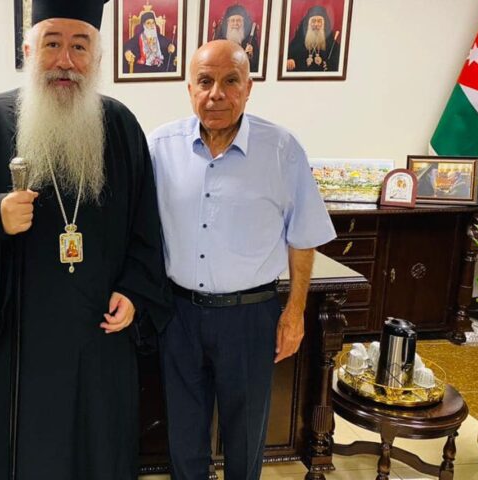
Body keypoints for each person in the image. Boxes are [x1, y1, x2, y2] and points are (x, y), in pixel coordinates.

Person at [0, 0, 172, 477]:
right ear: (28, 52)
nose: (65, 60)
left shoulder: (121, 127)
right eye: (52, 44)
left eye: (79, 47)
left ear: (97, 58)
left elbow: (146, 225)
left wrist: (134, 291)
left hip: (98, 340)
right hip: (16, 343)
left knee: (97, 448)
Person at [148, 40, 335, 480]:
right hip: (178, 314)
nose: (216, 94)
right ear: (189, 89)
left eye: (230, 81)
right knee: (184, 432)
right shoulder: (160, 147)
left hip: (250, 317)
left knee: (246, 433)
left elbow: (303, 237)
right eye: (205, 81)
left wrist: (295, 312)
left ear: (248, 88)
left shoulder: (281, 149)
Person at [286, 5, 341, 72]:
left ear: (324, 24)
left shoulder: (331, 42)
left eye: (319, 21)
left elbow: (338, 61)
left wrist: (330, 64)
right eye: (313, 21)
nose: (316, 24)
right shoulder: (300, 39)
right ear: (308, 24)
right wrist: (290, 60)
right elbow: (288, 55)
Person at [212, 4, 259, 72]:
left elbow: (256, 68)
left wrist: (251, 57)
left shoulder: (251, 41)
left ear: (243, 23)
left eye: (239, 20)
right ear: (227, 23)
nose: (235, 24)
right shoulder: (219, 41)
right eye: (232, 20)